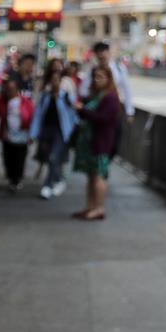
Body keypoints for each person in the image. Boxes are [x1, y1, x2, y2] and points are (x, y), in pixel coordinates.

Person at [71, 65, 121, 221]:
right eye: (95, 77)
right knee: (91, 176)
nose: (97, 80)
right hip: (90, 142)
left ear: (108, 79)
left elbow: (103, 119)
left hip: (101, 142)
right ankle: (91, 206)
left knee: (99, 176)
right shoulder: (96, 95)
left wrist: (83, 110)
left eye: (101, 77)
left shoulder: (110, 97)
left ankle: (99, 208)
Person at [29, 65, 79, 200]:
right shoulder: (45, 96)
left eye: (58, 80)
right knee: (48, 157)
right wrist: (33, 134)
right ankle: (58, 180)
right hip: (46, 130)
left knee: (54, 157)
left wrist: (73, 131)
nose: (55, 82)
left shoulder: (67, 96)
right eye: (53, 80)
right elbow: (38, 115)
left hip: (61, 131)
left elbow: (73, 115)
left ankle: (48, 185)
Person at [0, 77, 35, 192]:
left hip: (22, 136)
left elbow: (32, 118)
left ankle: (17, 179)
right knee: (8, 158)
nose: (9, 91)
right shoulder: (2, 102)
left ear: (17, 89)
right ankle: (11, 178)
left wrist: (32, 135)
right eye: (8, 89)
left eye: (12, 89)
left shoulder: (26, 102)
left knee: (19, 158)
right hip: (7, 135)